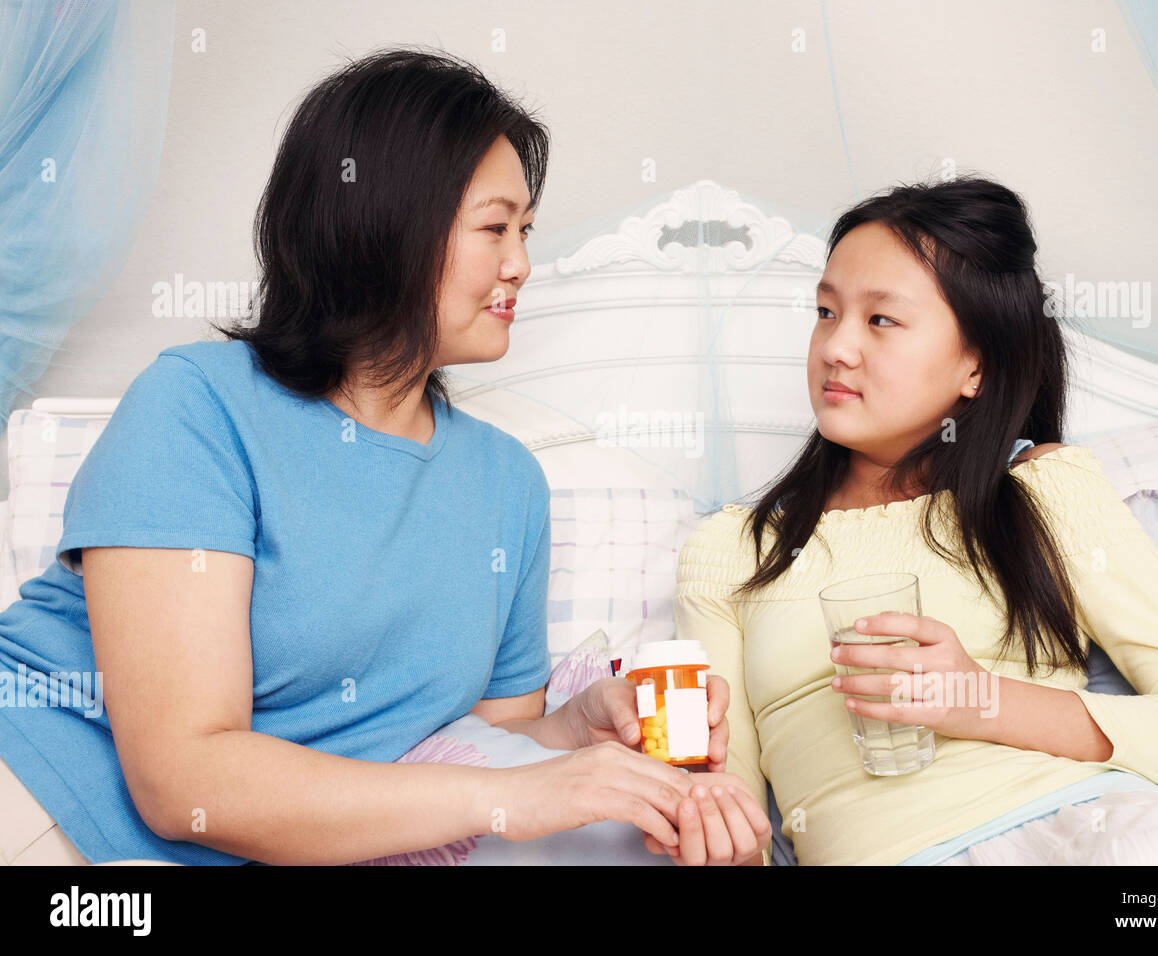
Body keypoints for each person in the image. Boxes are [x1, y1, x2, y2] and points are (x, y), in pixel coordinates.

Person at [0, 48, 769, 867]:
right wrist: (517, 794)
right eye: (496, 228)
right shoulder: (198, 408)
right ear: (389, 225)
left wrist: (575, 734)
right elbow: (185, 778)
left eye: (527, 231)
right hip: (52, 814)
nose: (521, 264)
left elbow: (477, 749)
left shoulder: (508, 483)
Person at [664, 176, 1158, 866]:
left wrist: (978, 699)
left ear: (976, 365)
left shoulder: (1042, 489)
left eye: (881, 320)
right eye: (826, 312)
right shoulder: (733, 549)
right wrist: (708, 830)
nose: (836, 348)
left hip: (1098, 834)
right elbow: (728, 818)